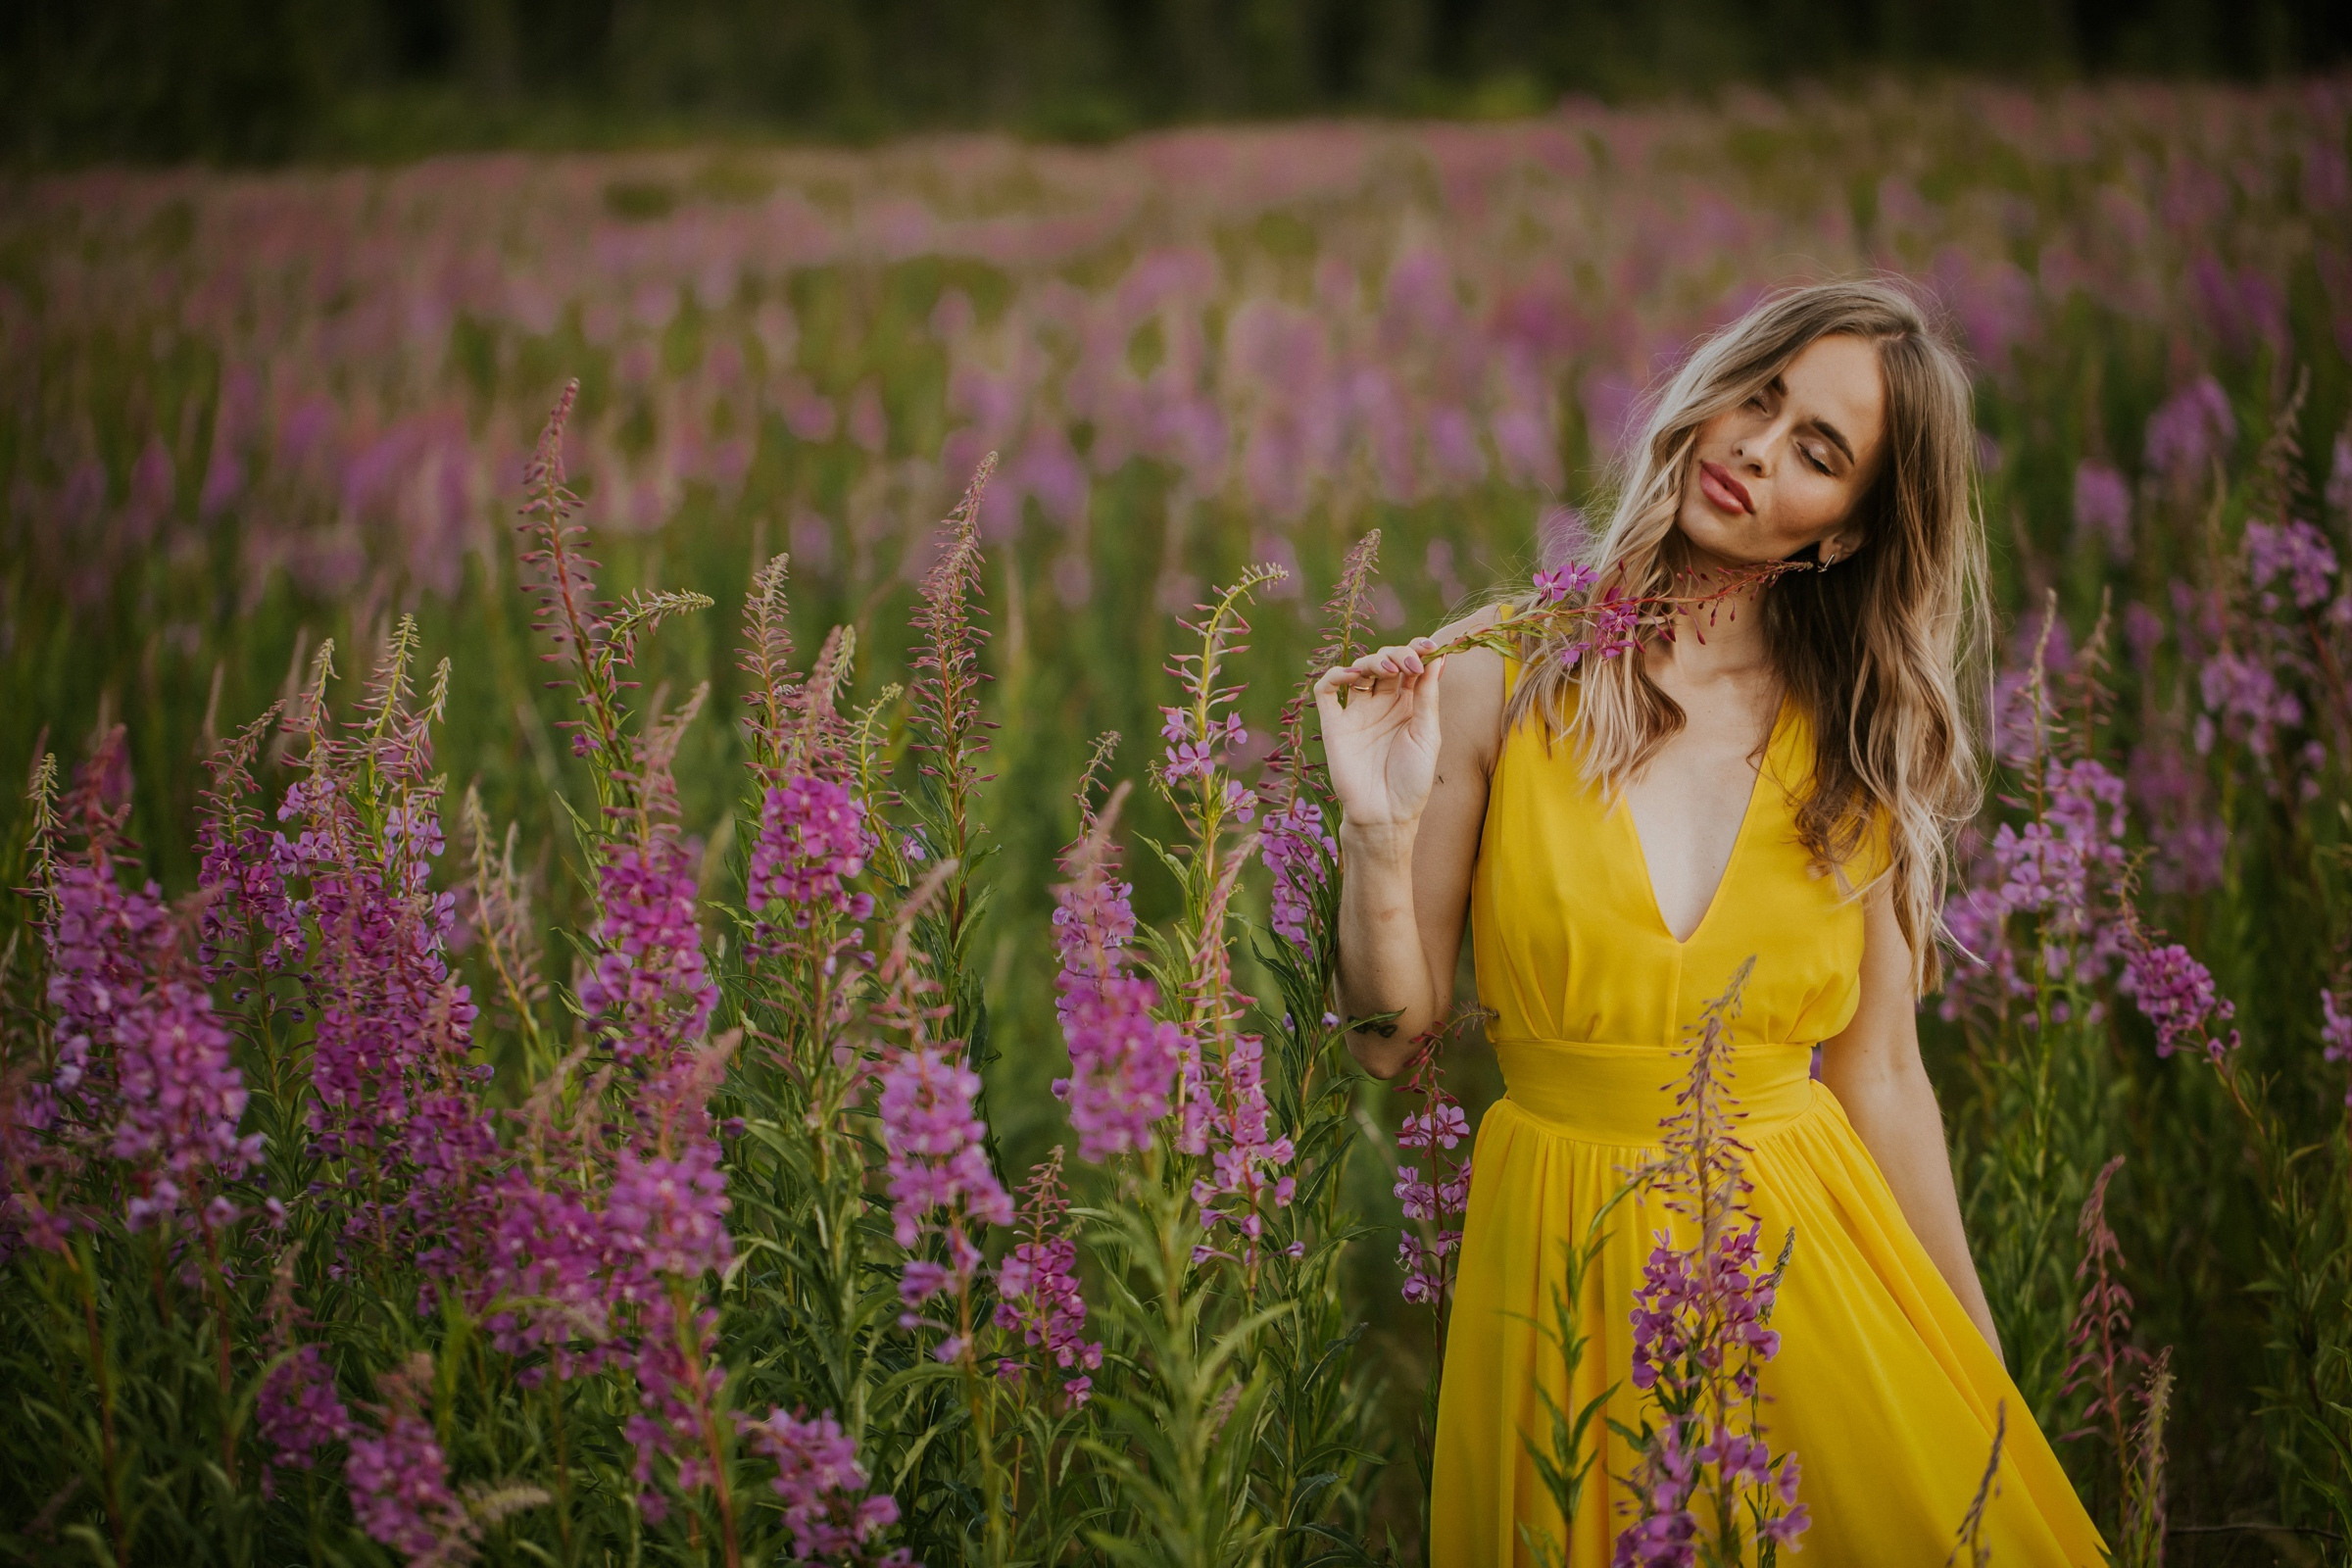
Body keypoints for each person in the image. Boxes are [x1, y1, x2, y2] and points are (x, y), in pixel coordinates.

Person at [1314, 279, 2105, 1564]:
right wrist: (1371, 827)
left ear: (1844, 533)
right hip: (1556, 1263)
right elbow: (1387, 1036)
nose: (1756, 447)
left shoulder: (1861, 734)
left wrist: (1978, 1366)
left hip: (1802, 1259)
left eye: (1819, 451)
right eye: (1761, 395)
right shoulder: (1497, 677)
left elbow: (1883, 1074)